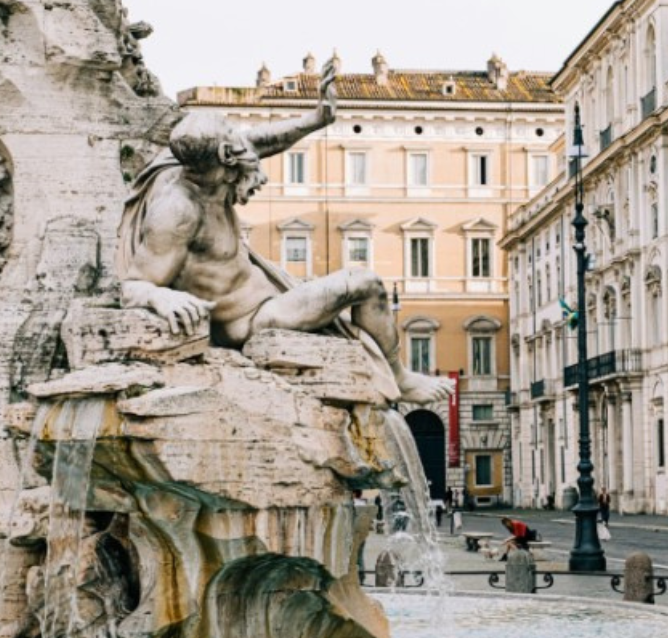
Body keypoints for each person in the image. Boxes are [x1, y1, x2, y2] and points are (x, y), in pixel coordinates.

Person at [115, 62, 453, 405]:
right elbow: (134, 284)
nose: (245, 155)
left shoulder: (204, 165)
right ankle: (400, 378)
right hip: (255, 319)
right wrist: (161, 296)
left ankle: (397, 374)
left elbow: (264, 140)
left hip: (272, 291)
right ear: (222, 159)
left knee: (357, 286)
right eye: (234, 146)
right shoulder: (177, 211)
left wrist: (316, 118)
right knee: (364, 283)